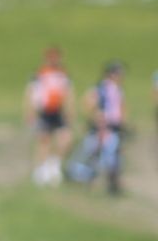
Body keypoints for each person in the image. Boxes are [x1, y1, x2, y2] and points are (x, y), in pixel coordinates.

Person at [24, 46, 74, 187]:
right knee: (43, 140)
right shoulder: (39, 74)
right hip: (44, 110)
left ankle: (54, 164)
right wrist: (30, 111)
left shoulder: (63, 74)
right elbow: (31, 93)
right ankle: (40, 170)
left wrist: (70, 111)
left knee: (65, 138)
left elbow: (68, 93)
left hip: (58, 111)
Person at [82, 61, 127, 195]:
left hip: (114, 127)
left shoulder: (118, 90)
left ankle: (111, 185)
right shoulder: (100, 88)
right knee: (96, 154)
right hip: (102, 128)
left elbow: (121, 108)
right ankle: (93, 183)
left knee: (113, 157)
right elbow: (88, 103)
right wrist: (96, 116)